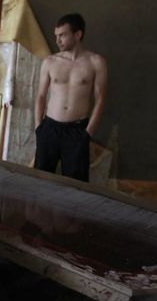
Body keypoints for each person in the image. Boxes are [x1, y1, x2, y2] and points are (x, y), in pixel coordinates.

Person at [33, 13, 107, 182]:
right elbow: (41, 96)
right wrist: (39, 128)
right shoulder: (50, 62)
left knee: (76, 184)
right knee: (39, 180)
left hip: (77, 131)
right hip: (49, 128)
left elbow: (100, 99)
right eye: (56, 36)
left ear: (78, 34)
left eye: (63, 35)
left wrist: (87, 133)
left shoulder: (96, 62)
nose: (58, 40)